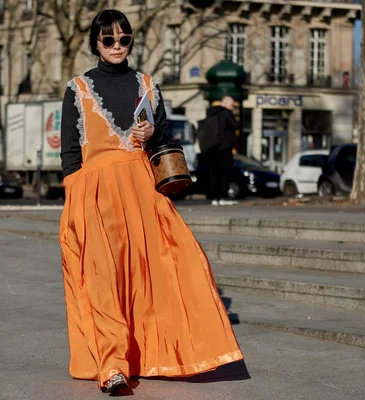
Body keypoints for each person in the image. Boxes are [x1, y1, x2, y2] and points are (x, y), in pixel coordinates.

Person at [59, 9, 243, 394]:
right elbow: (71, 154)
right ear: (95, 42)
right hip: (96, 196)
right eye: (108, 40)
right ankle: (112, 366)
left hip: (144, 191)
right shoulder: (76, 89)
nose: (117, 46)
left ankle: (161, 354)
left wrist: (153, 130)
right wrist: (74, 201)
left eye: (124, 39)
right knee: (103, 280)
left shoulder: (148, 84)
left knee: (166, 268)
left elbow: (164, 140)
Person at [203, 96, 239, 206]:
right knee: (225, 172)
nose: (232, 108)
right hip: (224, 148)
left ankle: (214, 197)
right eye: (232, 105)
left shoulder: (211, 113)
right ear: (225, 104)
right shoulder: (226, 113)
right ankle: (223, 196)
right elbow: (235, 125)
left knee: (214, 173)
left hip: (211, 147)